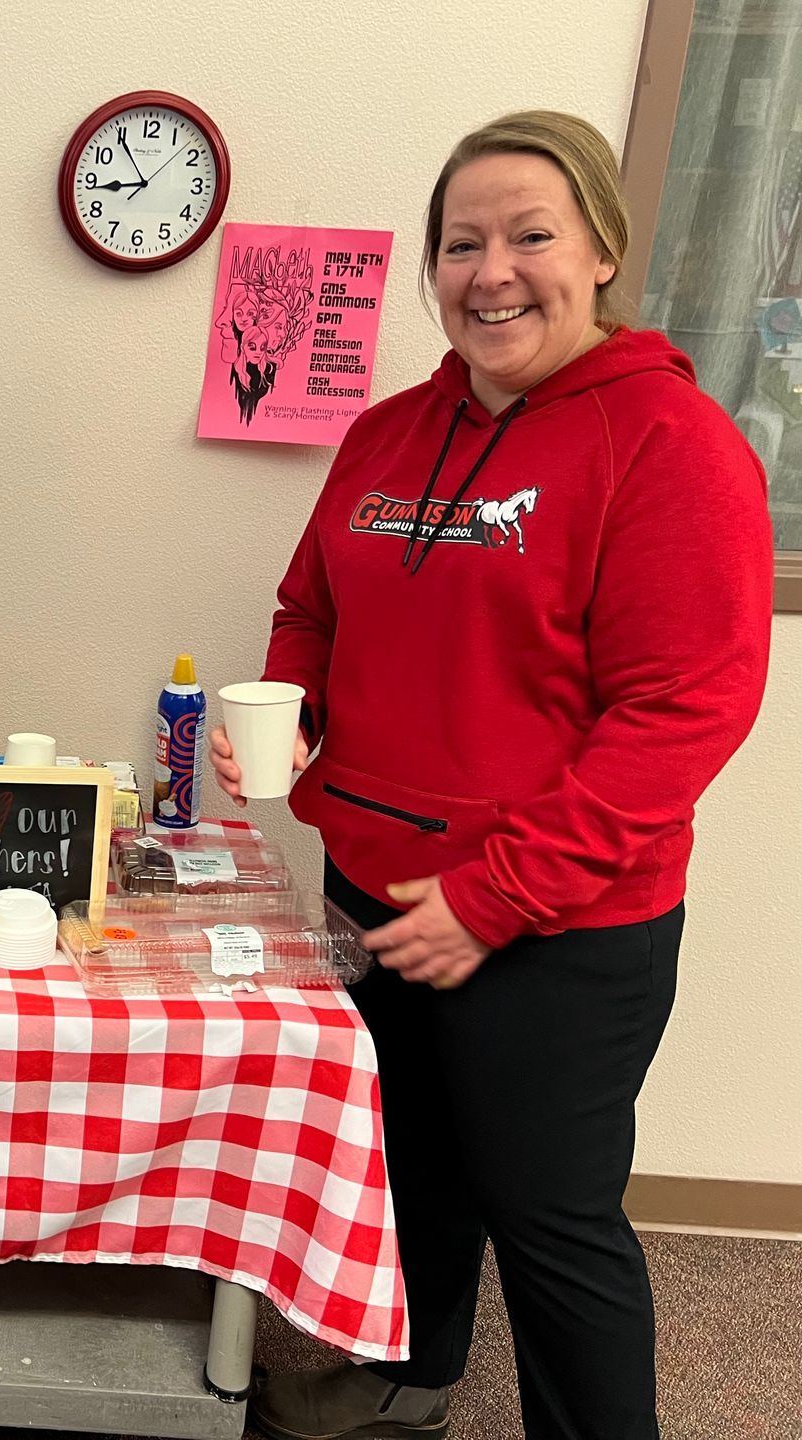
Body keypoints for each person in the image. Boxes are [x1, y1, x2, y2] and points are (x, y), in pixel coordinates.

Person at [214, 111, 772, 1440]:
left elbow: (681, 714)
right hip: (372, 878)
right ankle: (415, 1377)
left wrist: (497, 897)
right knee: (413, 1165)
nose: (492, 271)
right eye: (462, 243)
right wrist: (295, 716)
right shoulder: (391, 434)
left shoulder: (671, 443)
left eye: (531, 234)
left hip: (558, 919)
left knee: (549, 1211)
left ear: (601, 252)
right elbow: (310, 608)